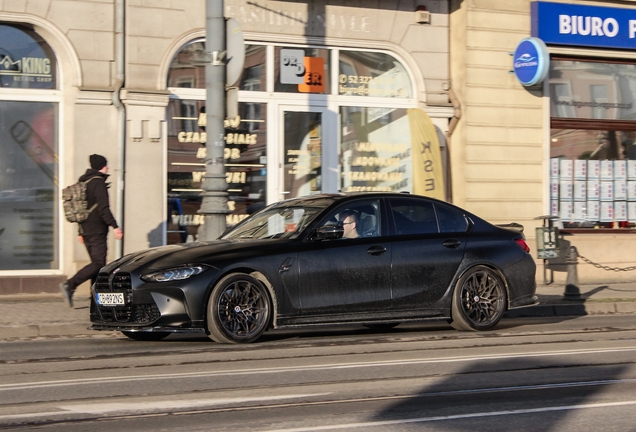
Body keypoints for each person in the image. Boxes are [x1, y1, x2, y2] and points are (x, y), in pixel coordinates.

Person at [60, 154, 123, 307]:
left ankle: (95, 299)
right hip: (97, 230)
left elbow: (81, 208)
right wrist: (115, 226)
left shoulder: (84, 182)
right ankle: (70, 284)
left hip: (86, 229)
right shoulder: (98, 183)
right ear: (102, 166)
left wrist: (80, 232)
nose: (108, 167)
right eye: (106, 165)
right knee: (98, 263)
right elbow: (103, 209)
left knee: (97, 265)